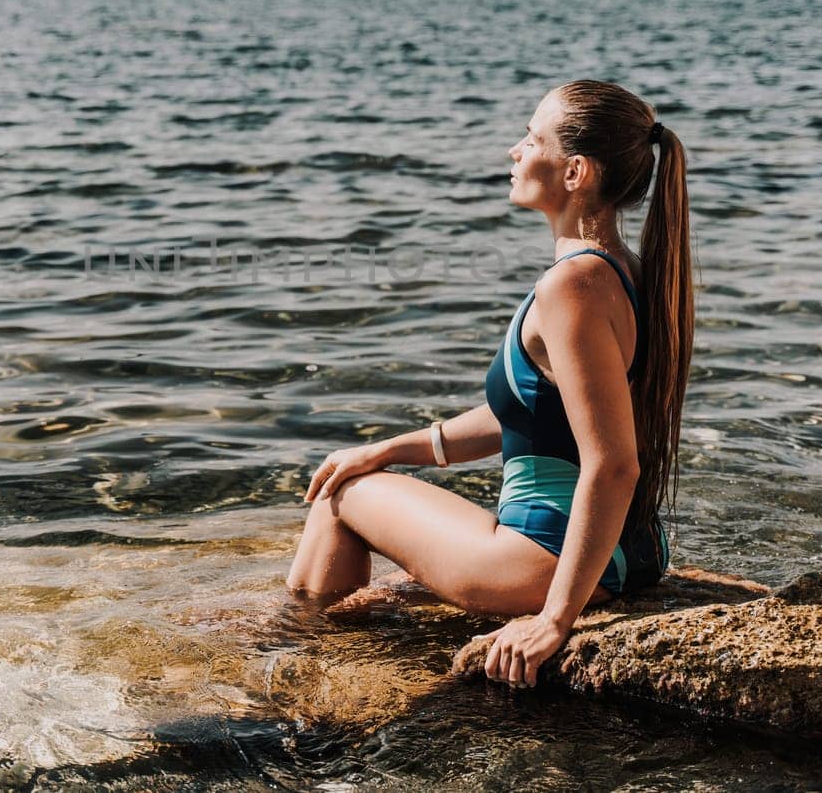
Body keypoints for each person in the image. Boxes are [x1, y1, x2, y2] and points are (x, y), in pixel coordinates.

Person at [286, 80, 693, 691]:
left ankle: (299, 660)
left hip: (547, 555)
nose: (514, 150)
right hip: (632, 550)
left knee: (341, 494)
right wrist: (392, 448)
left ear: (575, 171)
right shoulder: (631, 269)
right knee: (364, 469)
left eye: (532, 139)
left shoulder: (573, 285)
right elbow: (535, 412)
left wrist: (554, 619)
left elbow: (614, 466)